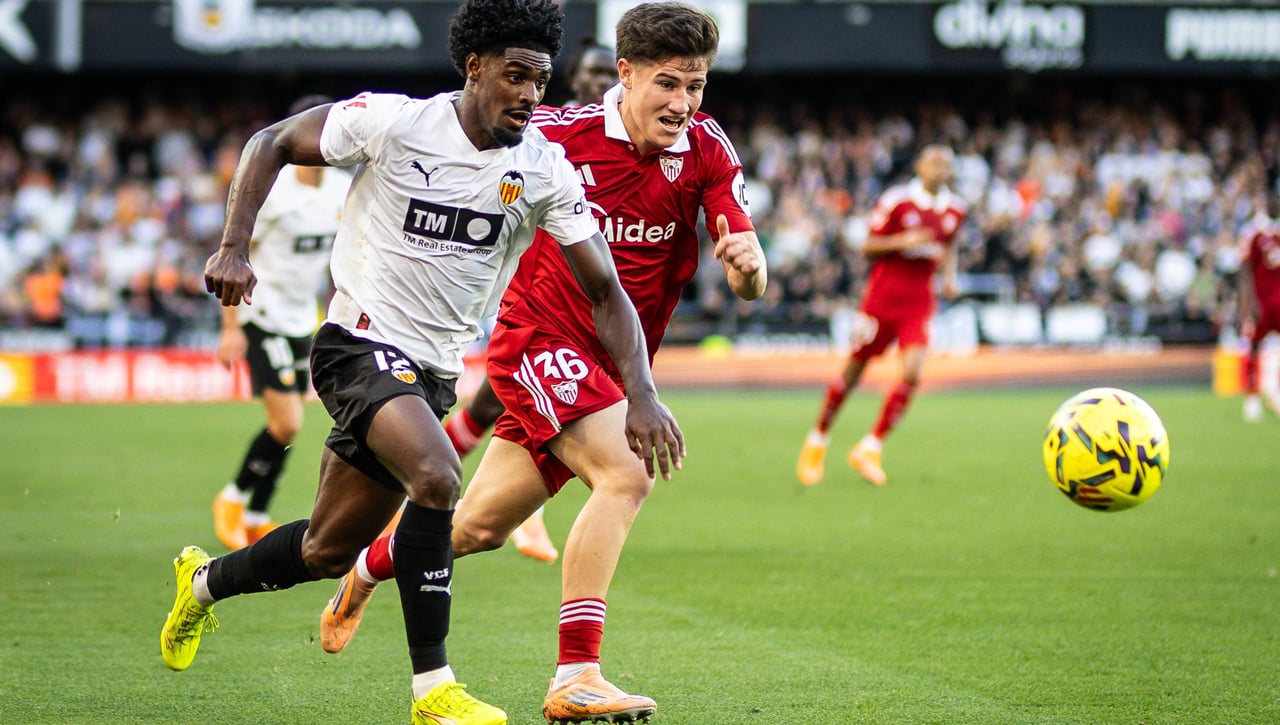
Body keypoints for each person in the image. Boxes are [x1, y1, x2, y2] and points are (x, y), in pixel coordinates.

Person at [159, 1, 684, 724]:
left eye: (540, 80)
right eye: (515, 76)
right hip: (356, 344)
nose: (531, 94)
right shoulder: (395, 122)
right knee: (438, 475)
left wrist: (643, 392)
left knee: (326, 547)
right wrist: (233, 246)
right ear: (474, 67)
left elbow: (606, 291)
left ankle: (202, 584)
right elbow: (271, 140)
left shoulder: (542, 167)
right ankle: (433, 688)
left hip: (431, 372)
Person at [319, 4, 766, 723]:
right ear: (625, 74)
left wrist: (749, 267)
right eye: (668, 83)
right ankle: (577, 674)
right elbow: (461, 152)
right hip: (538, 339)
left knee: (477, 528)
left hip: (613, 366)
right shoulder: (554, 137)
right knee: (626, 473)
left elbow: (747, 273)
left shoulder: (708, 149)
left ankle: (369, 566)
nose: (683, 103)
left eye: (696, 86)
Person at [441, 36, 620, 565]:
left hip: (586, 309)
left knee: (492, 406)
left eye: (609, 75)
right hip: (533, 298)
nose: (601, 83)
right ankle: (504, 506)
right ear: (575, 79)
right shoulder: (544, 133)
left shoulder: (627, 143)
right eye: (593, 73)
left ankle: (429, 493)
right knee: (508, 404)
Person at [211, 94, 348, 551]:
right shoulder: (274, 190)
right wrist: (230, 327)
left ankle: (255, 515)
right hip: (261, 314)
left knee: (288, 426)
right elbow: (232, 256)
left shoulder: (340, 189)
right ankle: (232, 498)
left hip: (301, 319)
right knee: (287, 422)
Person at [796, 144, 967, 487]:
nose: (939, 169)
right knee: (854, 371)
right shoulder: (897, 201)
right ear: (920, 166)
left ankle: (870, 447)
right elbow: (868, 245)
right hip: (883, 299)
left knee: (913, 373)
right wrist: (904, 241)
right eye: (933, 162)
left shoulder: (955, 209)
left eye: (945, 164)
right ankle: (818, 438)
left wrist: (949, 277)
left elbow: (950, 244)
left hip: (919, 301)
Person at [1238, 194, 1280, 421]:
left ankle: (1274, 390)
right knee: (1253, 347)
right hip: (1261, 304)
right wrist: (1250, 303)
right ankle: (1252, 398)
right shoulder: (1255, 232)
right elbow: (1245, 269)